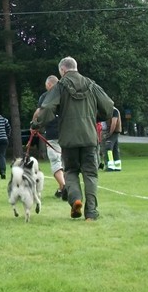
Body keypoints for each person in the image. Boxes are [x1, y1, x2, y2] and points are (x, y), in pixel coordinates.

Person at [32, 57, 113, 222]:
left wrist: (36, 125)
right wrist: (95, 118)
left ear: (62, 70)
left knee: (70, 172)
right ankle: (91, 213)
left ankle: (76, 199)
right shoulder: (91, 84)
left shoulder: (60, 86)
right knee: (90, 174)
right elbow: (108, 106)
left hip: (68, 140)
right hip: (90, 138)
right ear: (76, 67)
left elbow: (47, 108)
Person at [32, 75, 67, 200]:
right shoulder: (66, 95)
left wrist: (34, 125)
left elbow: (39, 113)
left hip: (53, 133)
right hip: (68, 132)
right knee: (66, 161)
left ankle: (64, 187)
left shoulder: (45, 96)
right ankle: (61, 188)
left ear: (49, 85)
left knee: (55, 161)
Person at [104, 106, 122, 171]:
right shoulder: (114, 110)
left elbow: (114, 123)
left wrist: (109, 133)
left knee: (108, 148)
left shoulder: (113, 111)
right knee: (115, 149)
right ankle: (117, 166)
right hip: (116, 131)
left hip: (113, 132)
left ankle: (110, 166)